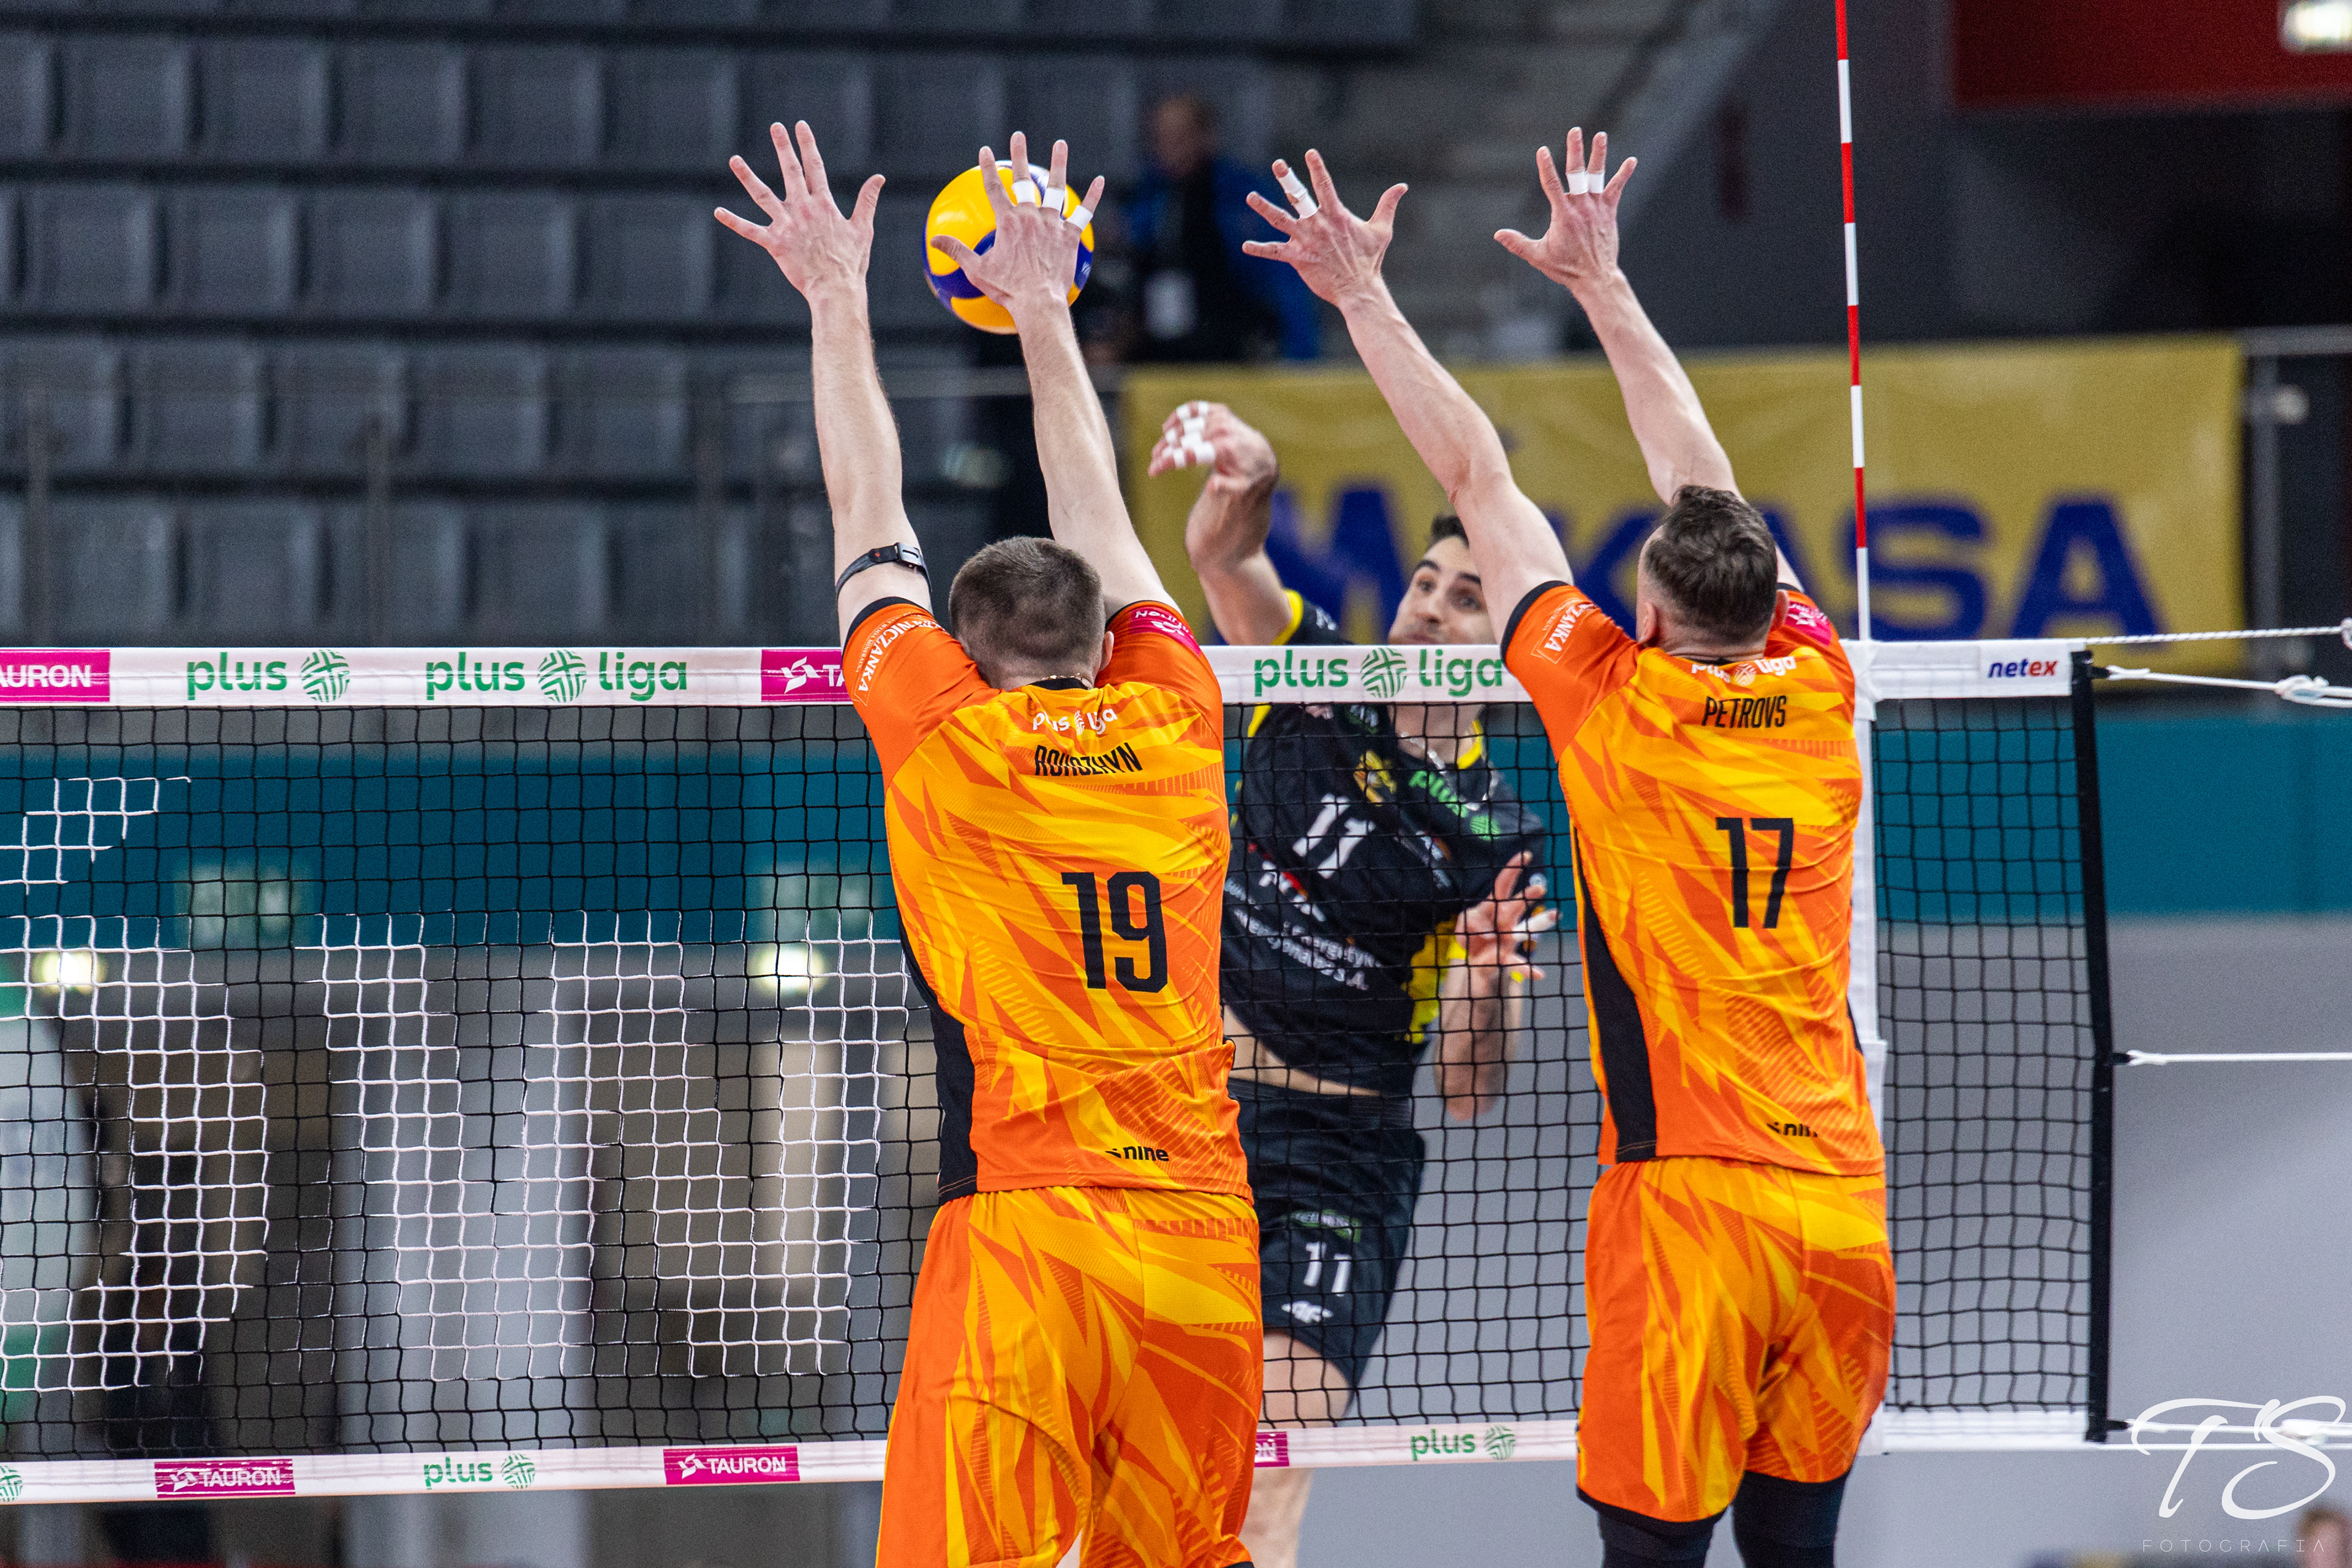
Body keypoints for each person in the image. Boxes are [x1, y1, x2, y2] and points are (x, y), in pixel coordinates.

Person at [1240, 135, 1894, 1568]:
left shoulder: (1613, 702)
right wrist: (1605, 284)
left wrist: (1363, 295)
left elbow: (1474, 468)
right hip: (1842, 1200)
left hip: (1691, 1203)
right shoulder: (1821, 682)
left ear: (1647, 616)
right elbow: (1705, 481)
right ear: (1768, 601)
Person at [717, 124, 1260, 1568]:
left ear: (965, 652)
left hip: (1034, 1229)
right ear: (1108, 636)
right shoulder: (1183, 716)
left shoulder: (948, 735)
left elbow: (866, 511)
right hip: (1203, 1229)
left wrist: (836, 295)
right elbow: (1099, 513)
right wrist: (1044, 310)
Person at [1147, 402, 1553, 1568]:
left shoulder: (1497, 837)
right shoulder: (1313, 672)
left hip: (1337, 1159)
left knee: (1268, 1473)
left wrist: (1489, 974)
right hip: (1191, 1119)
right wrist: (1251, 479)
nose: (1429, 606)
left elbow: (1468, 1091)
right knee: (1146, 1459)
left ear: (1509, 643)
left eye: (1466, 597)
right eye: (1426, 584)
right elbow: (1222, 560)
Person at [1126, 94, 1319, 363]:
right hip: (1163, 345)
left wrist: (1300, 356)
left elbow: (1285, 278)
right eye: (1160, 139)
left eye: (1180, 137)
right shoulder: (1147, 197)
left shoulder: (1244, 195)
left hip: (1233, 348)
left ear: (1206, 136)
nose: (1169, 148)